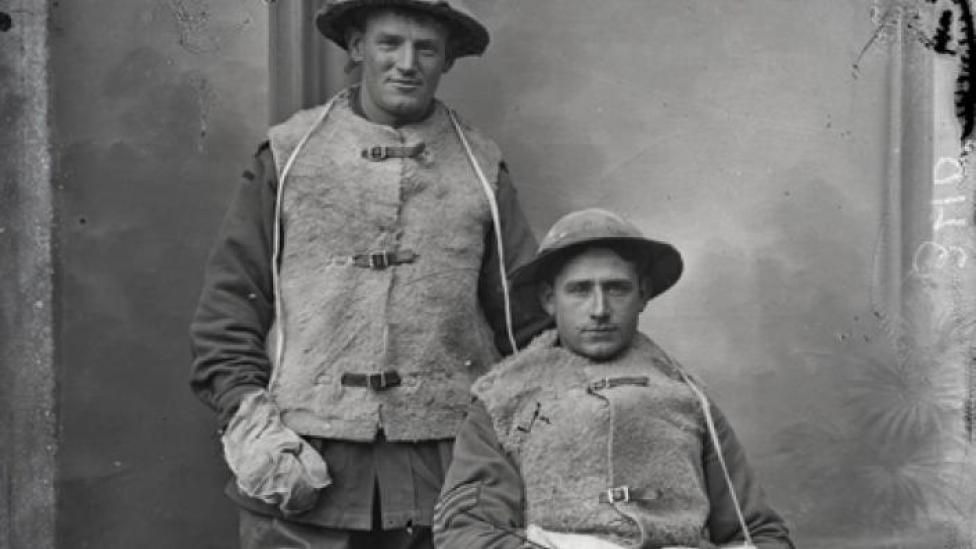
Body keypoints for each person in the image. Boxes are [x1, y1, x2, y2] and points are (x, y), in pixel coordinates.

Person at [188, 1, 547, 547]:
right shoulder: (287, 157)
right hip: (304, 462)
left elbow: (528, 327)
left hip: (447, 468)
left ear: (446, 60)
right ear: (357, 48)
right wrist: (250, 420)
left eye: (426, 48)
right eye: (389, 43)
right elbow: (229, 307)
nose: (407, 63)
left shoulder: (480, 167)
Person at [433, 209, 796, 549]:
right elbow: (465, 532)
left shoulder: (687, 398)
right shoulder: (504, 400)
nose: (599, 310)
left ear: (643, 295)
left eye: (616, 288)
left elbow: (761, 533)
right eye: (579, 290)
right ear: (548, 299)